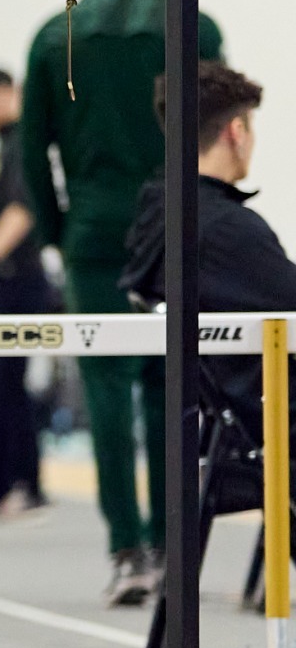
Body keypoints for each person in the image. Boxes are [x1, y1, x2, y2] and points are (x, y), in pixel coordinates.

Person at [21, 0, 224, 605]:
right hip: (172, 223)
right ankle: (169, 546)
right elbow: (215, 132)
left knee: (104, 388)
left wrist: (63, 234)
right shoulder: (195, 23)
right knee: (172, 384)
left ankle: (127, 550)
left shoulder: (57, 35)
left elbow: (31, 154)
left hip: (95, 231)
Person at [123, 63, 288, 477]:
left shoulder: (161, 215)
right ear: (236, 131)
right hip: (271, 418)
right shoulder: (227, 230)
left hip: (232, 418)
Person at [0, 68, 54, 514]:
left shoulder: (22, 142)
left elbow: (23, 207)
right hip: (5, 282)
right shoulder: (3, 144)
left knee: (11, 385)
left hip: (19, 279)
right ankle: (1, 481)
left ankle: (24, 482)